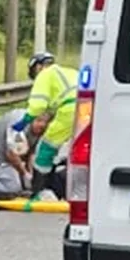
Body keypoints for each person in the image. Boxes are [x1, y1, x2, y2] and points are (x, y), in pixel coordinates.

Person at [12, 51, 78, 200]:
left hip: (70, 111)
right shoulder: (70, 72)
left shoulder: (44, 75)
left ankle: (39, 191)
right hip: (88, 108)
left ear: (38, 67)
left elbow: (38, 105)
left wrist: (24, 121)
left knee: (46, 150)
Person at [0, 108, 49, 199]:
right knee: (13, 188)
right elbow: (11, 155)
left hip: (15, 154)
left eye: (45, 123)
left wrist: (32, 176)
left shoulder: (41, 129)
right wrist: (25, 174)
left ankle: (5, 177)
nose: (41, 125)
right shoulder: (18, 125)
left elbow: (32, 153)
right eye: (39, 121)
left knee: (28, 186)